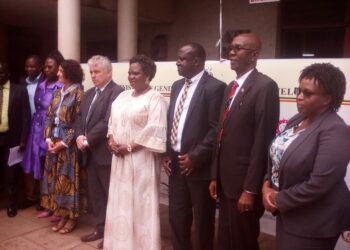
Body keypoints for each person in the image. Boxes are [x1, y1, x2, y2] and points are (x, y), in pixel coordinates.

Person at [262, 63, 350, 250]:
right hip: (290, 213)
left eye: (307, 93)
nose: (299, 97)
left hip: (314, 221)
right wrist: (266, 186)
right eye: (298, 90)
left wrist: (278, 200)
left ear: (327, 98)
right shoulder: (298, 119)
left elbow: (319, 183)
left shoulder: (335, 130)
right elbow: (277, 157)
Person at [209, 32, 280, 250]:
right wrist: (214, 175)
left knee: (242, 241)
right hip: (225, 181)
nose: (231, 52)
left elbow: (262, 141)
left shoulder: (265, 87)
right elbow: (221, 134)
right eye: (230, 48)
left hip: (243, 185)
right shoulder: (231, 86)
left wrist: (250, 189)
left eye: (238, 48)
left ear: (254, 55)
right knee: (225, 240)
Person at [163, 43, 226, 250]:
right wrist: (167, 153)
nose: (177, 62)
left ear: (197, 61)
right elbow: (173, 121)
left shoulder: (215, 87)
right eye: (178, 58)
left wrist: (195, 157)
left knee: (203, 222)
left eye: (182, 59)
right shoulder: (176, 86)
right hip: (176, 164)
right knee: (177, 218)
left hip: (199, 167)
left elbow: (216, 129)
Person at [104, 55, 168, 250]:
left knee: (141, 205)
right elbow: (112, 123)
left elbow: (155, 129)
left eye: (136, 73)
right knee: (120, 203)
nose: (131, 76)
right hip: (120, 159)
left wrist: (130, 147)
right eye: (129, 72)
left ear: (147, 75)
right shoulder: (122, 96)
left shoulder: (156, 99)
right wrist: (111, 140)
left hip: (142, 161)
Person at [76, 55, 123, 248]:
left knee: (110, 196)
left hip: (105, 154)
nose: (93, 76)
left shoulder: (116, 92)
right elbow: (79, 117)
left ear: (109, 72)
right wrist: (79, 136)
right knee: (96, 196)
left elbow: (107, 121)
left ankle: (112, 235)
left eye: (97, 72)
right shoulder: (88, 93)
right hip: (89, 153)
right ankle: (100, 228)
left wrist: (88, 139)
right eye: (91, 72)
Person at [41, 59, 86, 234]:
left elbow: (78, 123)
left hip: (69, 146)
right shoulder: (58, 93)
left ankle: (72, 218)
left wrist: (63, 143)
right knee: (56, 182)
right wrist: (48, 139)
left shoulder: (79, 94)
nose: (58, 74)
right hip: (54, 142)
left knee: (68, 182)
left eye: (61, 71)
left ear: (70, 74)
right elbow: (49, 116)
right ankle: (61, 214)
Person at [21, 51, 63, 210]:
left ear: (58, 67)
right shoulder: (42, 83)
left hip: (51, 129)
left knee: (49, 165)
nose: (46, 70)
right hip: (35, 127)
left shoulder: (62, 85)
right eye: (45, 67)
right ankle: (36, 197)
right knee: (34, 163)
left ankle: (49, 200)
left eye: (49, 67)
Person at [0, 61, 31, 217]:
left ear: (8, 74)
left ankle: (11, 204)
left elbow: (26, 117)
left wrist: (23, 140)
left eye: (1, 73)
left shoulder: (20, 91)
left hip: (12, 139)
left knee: (11, 173)